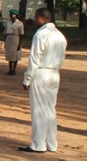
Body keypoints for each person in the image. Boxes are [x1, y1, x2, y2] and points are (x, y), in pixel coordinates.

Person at [19, 8, 67, 153]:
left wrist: (27, 78)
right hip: (54, 74)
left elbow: (34, 58)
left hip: (41, 73)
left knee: (39, 109)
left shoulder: (40, 35)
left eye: (36, 17)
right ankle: (51, 143)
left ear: (43, 18)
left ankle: (38, 144)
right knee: (50, 109)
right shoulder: (60, 36)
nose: (34, 20)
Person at [4, 9, 25, 75]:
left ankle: (14, 70)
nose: (10, 16)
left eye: (12, 15)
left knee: (15, 55)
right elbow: (5, 32)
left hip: (16, 38)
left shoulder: (20, 23)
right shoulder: (8, 22)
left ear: (16, 16)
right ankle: (10, 70)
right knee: (9, 55)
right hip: (9, 38)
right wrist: (5, 41)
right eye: (10, 15)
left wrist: (20, 44)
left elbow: (21, 34)